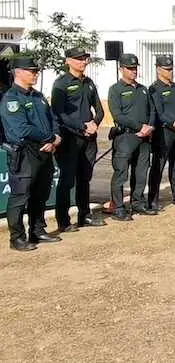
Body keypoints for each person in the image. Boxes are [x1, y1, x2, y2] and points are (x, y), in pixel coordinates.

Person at [1, 55, 62, 251]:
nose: (35, 74)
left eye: (36, 71)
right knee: (20, 197)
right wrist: (49, 138)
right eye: (31, 71)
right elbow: (22, 129)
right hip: (25, 153)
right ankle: (17, 238)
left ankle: (37, 230)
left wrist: (56, 137)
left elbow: (52, 119)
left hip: (45, 152)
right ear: (18, 73)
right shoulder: (11, 98)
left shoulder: (38, 96)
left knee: (41, 193)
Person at [51, 46, 106, 232]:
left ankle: (85, 215)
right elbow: (59, 113)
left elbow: (99, 109)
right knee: (67, 181)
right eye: (78, 59)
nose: (83, 62)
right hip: (70, 139)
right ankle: (63, 220)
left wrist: (95, 123)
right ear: (68, 61)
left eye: (84, 59)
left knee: (85, 179)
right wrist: (83, 126)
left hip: (89, 139)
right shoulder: (61, 83)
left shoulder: (89, 82)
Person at [108, 54, 157, 220]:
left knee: (141, 172)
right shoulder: (116, 89)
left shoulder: (143, 89)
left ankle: (138, 203)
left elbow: (152, 110)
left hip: (144, 138)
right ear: (121, 69)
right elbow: (117, 115)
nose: (133, 71)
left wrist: (149, 127)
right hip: (126, 137)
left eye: (135, 68)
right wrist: (139, 127)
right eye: (130, 68)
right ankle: (119, 207)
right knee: (121, 173)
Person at [149, 55, 175, 207]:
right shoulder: (154, 89)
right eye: (167, 69)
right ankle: (153, 199)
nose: (170, 72)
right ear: (158, 69)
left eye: (171, 69)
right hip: (164, 133)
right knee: (158, 168)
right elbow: (159, 112)